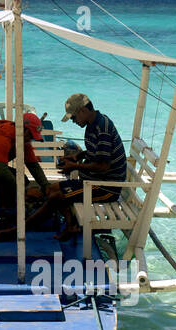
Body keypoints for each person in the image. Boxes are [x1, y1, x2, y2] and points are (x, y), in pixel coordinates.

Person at [27, 93, 128, 240]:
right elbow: (97, 151)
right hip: (92, 182)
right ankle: (71, 226)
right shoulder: (94, 124)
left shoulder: (102, 128)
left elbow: (103, 165)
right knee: (51, 189)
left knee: (56, 196)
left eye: (73, 117)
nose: (73, 121)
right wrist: (77, 157)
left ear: (83, 111)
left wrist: (75, 166)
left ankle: (23, 227)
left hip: (105, 187)